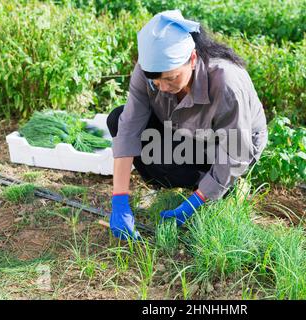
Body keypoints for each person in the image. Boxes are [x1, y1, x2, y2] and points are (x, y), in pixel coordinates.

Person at [106, 10, 268, 239]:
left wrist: (194, 203)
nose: (162, 87)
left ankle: (225, 185)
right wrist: (119, 199)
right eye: (156, 82)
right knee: (117, 118)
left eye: (171, 78)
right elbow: (129, 128)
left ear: (192, 59)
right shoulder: (147, 73)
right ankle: (202, 181)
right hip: (188, 135)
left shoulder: (226, 83)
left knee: (216, 167)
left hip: (230, 145)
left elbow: (235, 150)